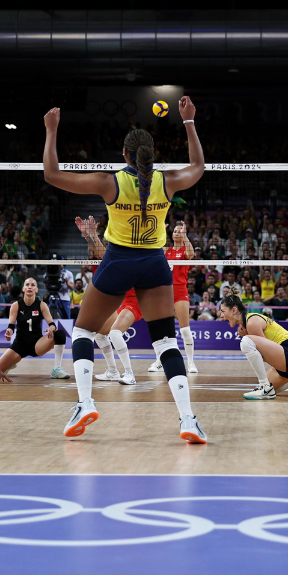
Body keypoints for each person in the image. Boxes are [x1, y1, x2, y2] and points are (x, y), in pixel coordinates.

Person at [44, 97, 208, 443]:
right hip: (154, 264)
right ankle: (188, 420)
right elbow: (198, 166)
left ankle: (85, 402)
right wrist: (189, 122)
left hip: (118, 261)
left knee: (83, 333)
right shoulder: (169, 181)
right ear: (152, 155)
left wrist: (51, 130)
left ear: (124, 154)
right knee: (166, 341)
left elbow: (52, 174)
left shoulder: (110, 183)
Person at [75, 215, 145, 386]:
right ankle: (113, 371)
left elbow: (104, 253)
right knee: (100, 334)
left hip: (136, 303)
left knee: (114, 333)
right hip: (123, 301)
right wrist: (89, 235)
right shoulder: (120, 254)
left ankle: (129, 374)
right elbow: (102, 253)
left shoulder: (138, 253)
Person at [218, 293, 288, 400]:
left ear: (234, 310)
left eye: (223, 311)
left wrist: (247, 335)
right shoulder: (249, 321)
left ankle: (264, 386)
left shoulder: (252, 322)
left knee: (246, 341)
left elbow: (263, 357)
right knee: (272, 390)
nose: (221, 315)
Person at [0, 277, 71, 380]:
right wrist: (9, 331)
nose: (30, 287)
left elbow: (52, 324)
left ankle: (56, 369)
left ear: (36, 289)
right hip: (20, 345)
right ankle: (11, 364)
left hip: (37, 344)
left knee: (60, 334)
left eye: (33, 285)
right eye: (27, 285)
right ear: (23, 289)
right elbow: (11, 325)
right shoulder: (16, 305)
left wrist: (51, 328)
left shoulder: (42, 305)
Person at [148, 222, 198, 374]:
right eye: (175, 231)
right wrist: (159, 231)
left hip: (180, 290)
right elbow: (153, 248)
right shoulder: (166, 250)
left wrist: (185, 236)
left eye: (179, 231)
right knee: (162, 329)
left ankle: (190, 363)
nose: (176, 233)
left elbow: (191, 255)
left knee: (185, 329)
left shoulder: (185, 250)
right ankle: (159, 362)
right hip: (165, 292)